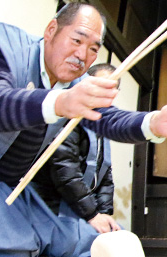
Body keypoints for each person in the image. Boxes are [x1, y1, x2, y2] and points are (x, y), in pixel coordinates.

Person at [0, 2, 167, 257]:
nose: (82, 55)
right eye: (76, 40)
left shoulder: (74, 86)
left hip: (13, 191)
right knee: (13, 249)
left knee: (88, 243)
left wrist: (154, 123)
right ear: (51, 30)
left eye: (94, 48)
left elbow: (110, 118)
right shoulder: (11, 51)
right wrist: (60, 102)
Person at [34, 63, 121, 234]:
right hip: (55, 206)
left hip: (83, 208)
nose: (105, 92)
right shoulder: (69, 116)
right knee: (89, 243)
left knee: (118, 235)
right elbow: (65, 169)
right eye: (100, 84)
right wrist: (92, 214)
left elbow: (105, 177)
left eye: (111, 88)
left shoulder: (101, 124)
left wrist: (104, 214)